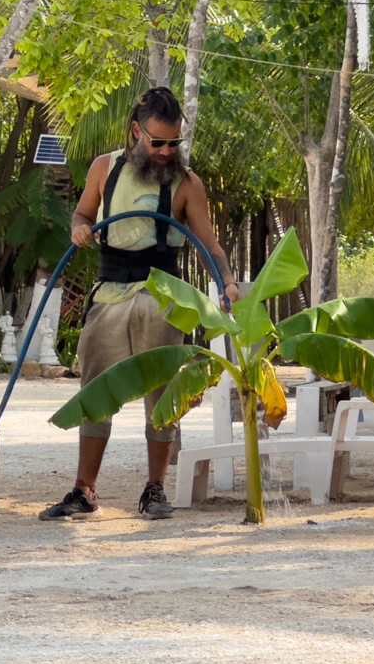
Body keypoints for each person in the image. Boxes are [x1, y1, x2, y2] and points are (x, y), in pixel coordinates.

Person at [39, 87, 241, 521]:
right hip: (109, 294)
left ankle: (154, 490)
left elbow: (209, 243)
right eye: (158, 142)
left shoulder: (188, 185)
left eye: (175, 143)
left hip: (162, 297)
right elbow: (81, 215)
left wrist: (226, 280)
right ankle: (84, 491)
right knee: (96, 394)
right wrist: (79, 228)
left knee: (163, 398)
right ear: (136, 131)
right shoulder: (103, 169)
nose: (167, 151)